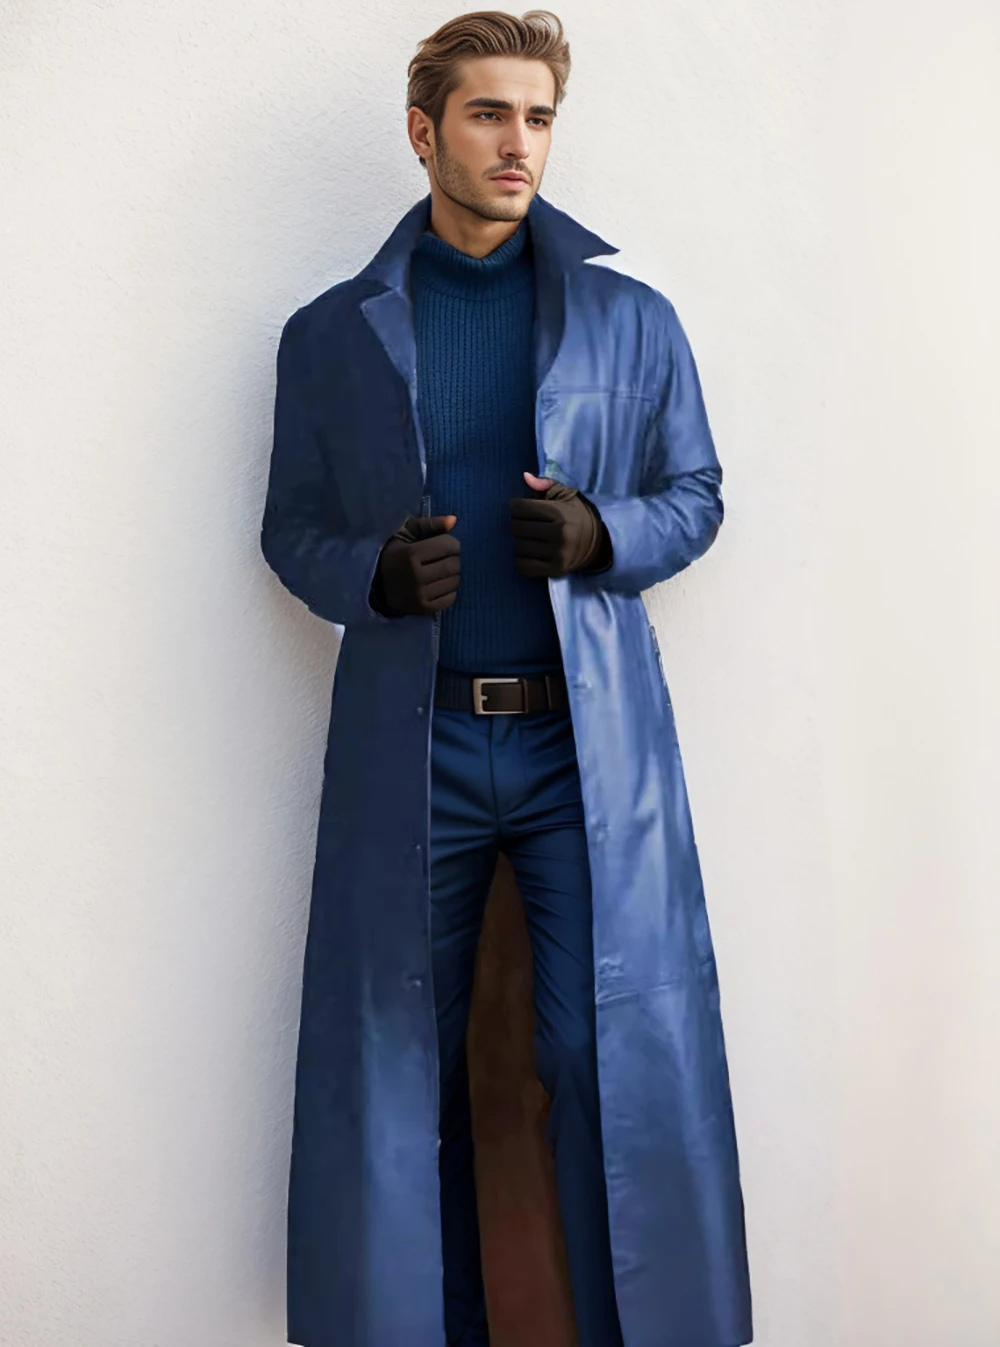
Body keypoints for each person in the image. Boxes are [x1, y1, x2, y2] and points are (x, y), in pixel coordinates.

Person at [261, 10, 752, 1346]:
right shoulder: (330, 337)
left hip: (579, 751)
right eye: (489, 114)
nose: (518, 142)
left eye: (538, 116)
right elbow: (290, 529)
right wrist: (371, 575)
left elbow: (698, 494)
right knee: (398, 1065)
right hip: (412, 745)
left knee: (607, 1051)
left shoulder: (632, 319)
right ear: (424, 134)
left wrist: (606, 535)